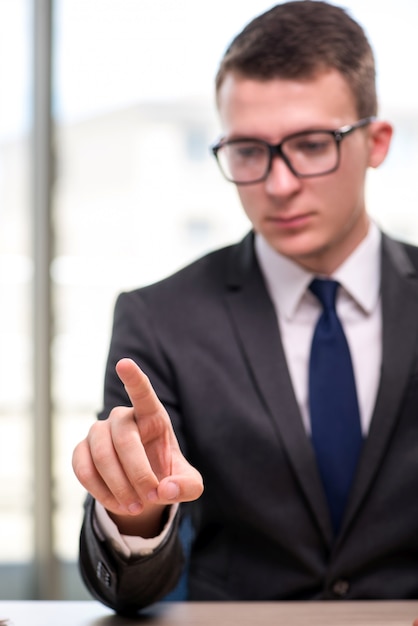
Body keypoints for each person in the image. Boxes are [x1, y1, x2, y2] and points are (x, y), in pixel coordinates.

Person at [72, 0, 418, 616]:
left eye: (313, 144)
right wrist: (140, 510)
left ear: (378, 142)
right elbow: (128, 592)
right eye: (249, 151)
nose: (278, 184)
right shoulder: (162, 319)